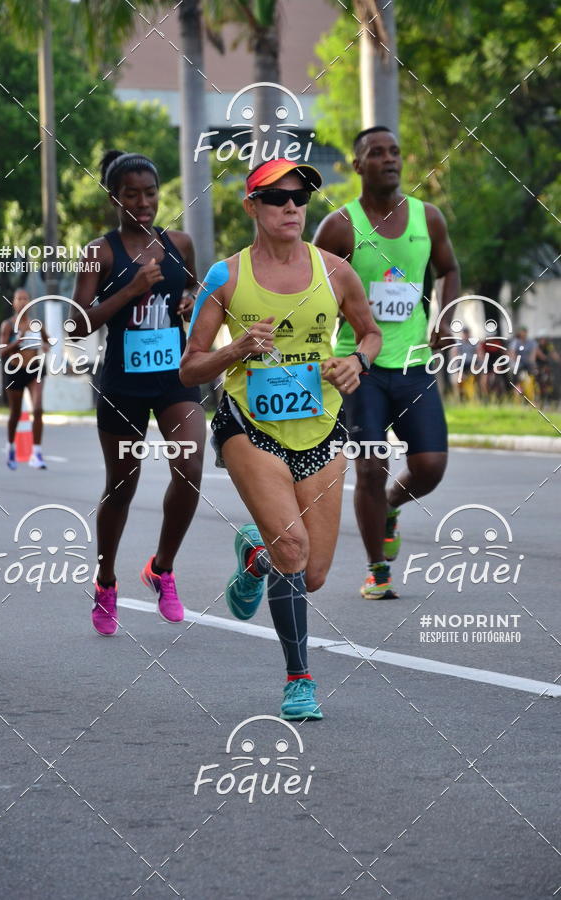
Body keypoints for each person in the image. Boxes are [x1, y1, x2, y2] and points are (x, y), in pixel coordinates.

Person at [180, 159, 381, 719]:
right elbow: (190, 368)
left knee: (312, 573)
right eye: (277, 197)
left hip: (321, 428)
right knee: (293, 551)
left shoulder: (337, 271)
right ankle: (300, 680)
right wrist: (234, 350)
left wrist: (357, 363)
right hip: (250, 427)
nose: (292, 205)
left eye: (300, 196)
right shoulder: (226, 278)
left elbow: (370, 332)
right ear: (252, 207)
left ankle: (253, 557)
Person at [313, 126, 460, 600]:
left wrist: (445, 321)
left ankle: (393, 505)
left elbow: (449, 270)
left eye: (395, 151)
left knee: (431, 464)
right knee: (371, 467)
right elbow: (315, 289)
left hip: (414, 363)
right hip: (360, 368)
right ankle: (378, 570)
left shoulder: (428, 218)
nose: (389, 159)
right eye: (377, 153)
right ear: (357, 165)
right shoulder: (339, 226)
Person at [72, 150, 206, 636]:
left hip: (174, 377)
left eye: (150, 193)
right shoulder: (100, 253)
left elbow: (193, 293)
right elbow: (75, 324)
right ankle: (106, 581)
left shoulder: (180, 244)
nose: (144, 202)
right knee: (122, 487)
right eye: (132, 194)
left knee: (190, 469)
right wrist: (129, 291)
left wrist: (192, 302)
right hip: (122, 384)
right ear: (115, 197)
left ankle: (162, 568)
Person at [0, 288, 50, 470]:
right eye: (19, 298)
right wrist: (17, 341)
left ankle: (36, 454)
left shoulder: (37, 323)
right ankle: (11, 447)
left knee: (38, 409)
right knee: (15, 413)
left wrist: (45, 345)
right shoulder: (8, 325)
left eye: (25, 298)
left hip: (34, 369)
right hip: (14, 370)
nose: (22, 302)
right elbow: (2, 351)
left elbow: (48, 341)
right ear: (13, 303)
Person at [509, 327, 537, 403]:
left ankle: (534, 397)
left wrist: (532, 362)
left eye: (524, 332)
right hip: (518, 364)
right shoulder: (515, 342)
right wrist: (516, 360)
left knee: (534, 376)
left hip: (528, 363)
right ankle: (517, 397)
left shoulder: (531, 342)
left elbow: (533, 354)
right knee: (516, 379)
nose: (523, 334)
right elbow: (512, 353)